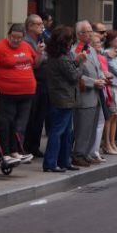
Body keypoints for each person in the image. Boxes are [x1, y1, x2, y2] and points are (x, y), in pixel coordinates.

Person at [0, 24, 38, 163]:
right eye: (13, 37)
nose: (15, 40)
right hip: (6, 94)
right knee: (7, 123)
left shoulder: (26, 46)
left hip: (27, 93)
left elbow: (35, 63)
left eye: (19, 38)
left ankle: (16, 151)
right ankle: (5, 152)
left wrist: (39, 53)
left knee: (20, 125)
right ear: (8, 35)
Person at [44, 26, 85, 172]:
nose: (71, 44)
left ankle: (64, 161)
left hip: (65, 97)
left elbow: (68, 69)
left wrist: (76, 62)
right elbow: (73, 76)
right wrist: (80, 62)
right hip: (62, 98)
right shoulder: (61, 58)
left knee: (67, 132)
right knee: (58, 131)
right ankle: (51, 162)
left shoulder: (59, 56)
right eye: (70, 41)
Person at [72, 21, 106, 167]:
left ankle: (87, 153)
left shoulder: (91, 50)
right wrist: (94, 82)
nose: (91, 34)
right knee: (83, 128)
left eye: (91, 31)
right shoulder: (75, 51)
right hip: (84, 95)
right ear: (80, 34)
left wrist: (102, 76)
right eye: (88, 31)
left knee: (92, 127)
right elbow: (75, 75)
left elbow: (97, 67)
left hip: (96, 95)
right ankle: (78, 154)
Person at [23, 14, 49, 158]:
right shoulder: (26, 42)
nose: (42, 27)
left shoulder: (41, 40)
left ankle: (35, 146)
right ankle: (27, 146)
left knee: (40, 117)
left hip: (43, 83)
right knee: (32, 116)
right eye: (38, 24)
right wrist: (41, 54)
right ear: (30, 26)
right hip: (33, 82)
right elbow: (35, 64)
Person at [90, 33, 113, 163]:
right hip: (96, 90)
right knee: (96, 123)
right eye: (98, 42)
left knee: (101, 121)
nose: (100, 45)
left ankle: (95, 150)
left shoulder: (100, 57)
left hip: (103, 90)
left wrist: (106, 75)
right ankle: (92, 151)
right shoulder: (92, 55)